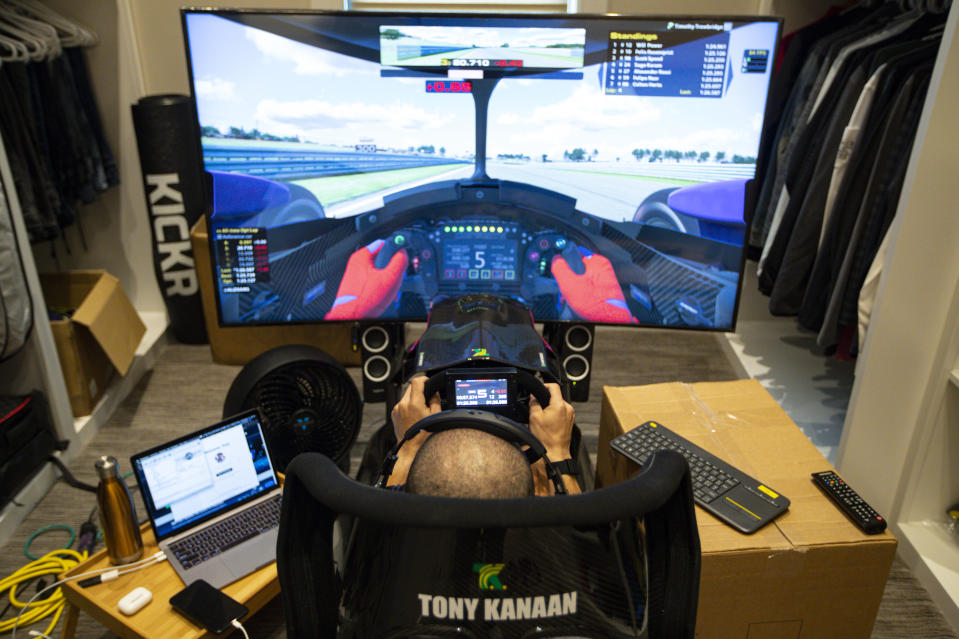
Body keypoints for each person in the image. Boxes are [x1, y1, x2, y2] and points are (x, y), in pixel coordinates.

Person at [387, 376, 581, 496]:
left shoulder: (399, 539)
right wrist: (557, 452)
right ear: (534, 494)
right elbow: (574, 523)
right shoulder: (551, 543)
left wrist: (407, 451)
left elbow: (383, 506)